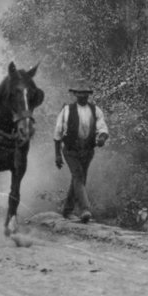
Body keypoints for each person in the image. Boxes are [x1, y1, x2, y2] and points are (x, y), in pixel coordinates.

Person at [53, 80, 109, 223]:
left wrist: (101, 138)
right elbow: (57, 133)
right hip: (71, 150)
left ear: (88, 95)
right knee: (78, 176)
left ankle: (67, 210)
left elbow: (102, 128)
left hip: (87, 150)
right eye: (79, 93)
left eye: (85, 93)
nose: (82, 95)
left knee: (78, 178)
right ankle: (85, 209)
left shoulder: (95, 110)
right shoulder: (67, 110)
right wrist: (58, 154)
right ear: (75, 94)